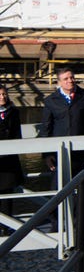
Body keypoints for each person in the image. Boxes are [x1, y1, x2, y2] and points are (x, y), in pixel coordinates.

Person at [39, 67, 84, 176]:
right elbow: (46, 128)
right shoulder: (50, 100)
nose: (70, 81)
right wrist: (47, 154)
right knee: (61, 186)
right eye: (66, 79)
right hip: (61, 151)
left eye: (71, 77)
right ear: (59, 82)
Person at [0, 86, 24, 225]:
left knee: (8, 194)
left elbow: (17, 134)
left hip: (9, 160)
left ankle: (6, 225)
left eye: (4, 94)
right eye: (0, 94)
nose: (3, 97)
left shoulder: (13, 112)